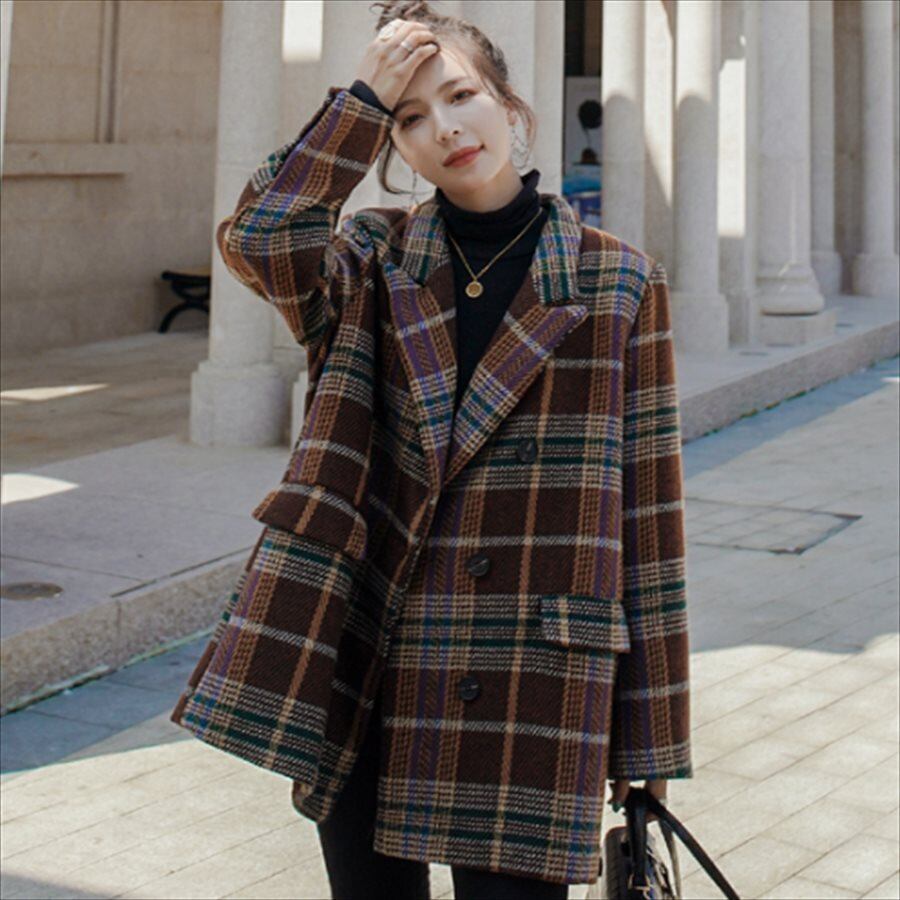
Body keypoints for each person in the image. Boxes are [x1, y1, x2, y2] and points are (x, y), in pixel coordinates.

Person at [311, 2, 676, 899]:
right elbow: (259, 238)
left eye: (461, 96)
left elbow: (650, 519)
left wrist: (650, 739)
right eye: (409, 116)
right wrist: (358, 102)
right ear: (393, 143)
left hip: (534, 680)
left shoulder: (619, 280)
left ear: (510, 107)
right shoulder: (372, 257)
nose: (444, 128)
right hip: (377, 663)